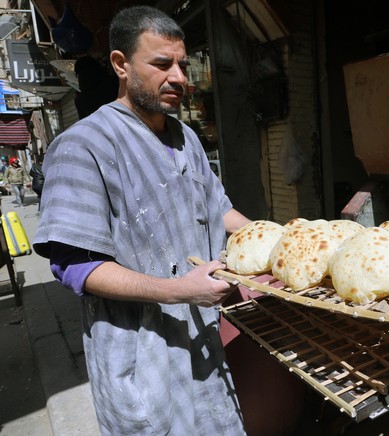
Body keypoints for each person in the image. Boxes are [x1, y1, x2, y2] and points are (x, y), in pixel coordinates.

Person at [33, 6, 252, 435]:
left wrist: (279, 241)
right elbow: (75, 266)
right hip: (140, 353)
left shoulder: (185, 137)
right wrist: (177, 291)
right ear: (121, 65)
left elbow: (219, 209)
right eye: (161, 64)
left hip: (202, 338)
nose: (178, 77)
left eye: (183, 66)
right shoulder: (84, 145)